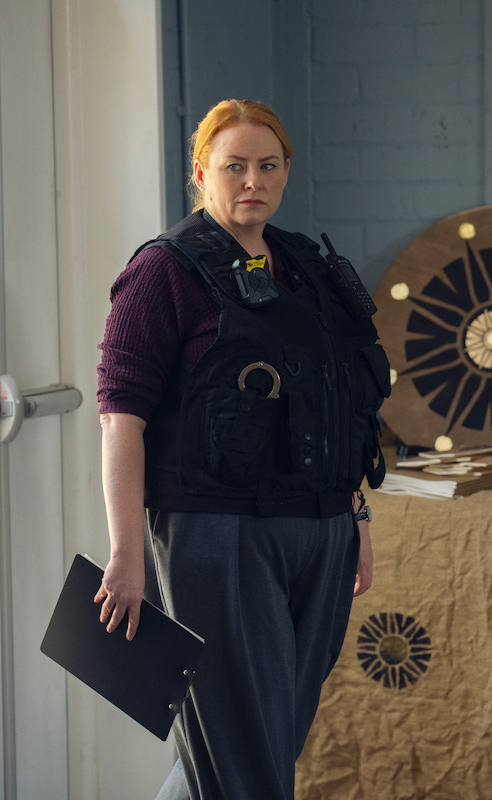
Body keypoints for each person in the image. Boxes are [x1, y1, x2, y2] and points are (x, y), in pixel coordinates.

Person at [95, 99, 391, 800]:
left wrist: (358, 521)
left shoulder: (308, 267)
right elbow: (120, 420)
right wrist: (126, 555)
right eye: (234, 166)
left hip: (321, 530)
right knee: (244, 757)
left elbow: (341, 403)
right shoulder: (164, 272)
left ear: (287, 171)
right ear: (202, 174)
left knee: (262, 737)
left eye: (267, 165)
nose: (251, 179)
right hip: (219, 534)